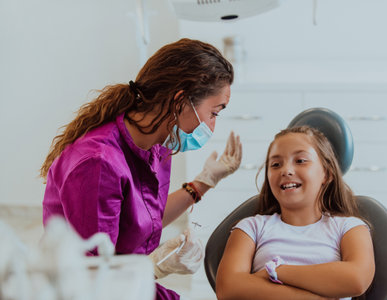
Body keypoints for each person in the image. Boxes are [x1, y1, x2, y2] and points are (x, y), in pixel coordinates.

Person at [40, 38, 242, 300]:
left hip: (128, 284)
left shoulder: (157, 144)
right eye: (214, 112)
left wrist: (204, 181)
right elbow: (91, 282)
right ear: (180, 100)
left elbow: (142, 219)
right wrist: (156, 265)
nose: (212, 127)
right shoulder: (98, 164)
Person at [216, 126, 375, 300]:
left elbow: (356, 280)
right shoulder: (251, 228)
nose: (286, 170)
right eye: (275, 164)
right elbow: (228, 288)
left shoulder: (350, 228)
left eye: (300, 161)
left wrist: (276, 271)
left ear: (327, 174)